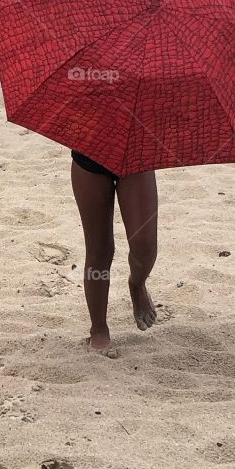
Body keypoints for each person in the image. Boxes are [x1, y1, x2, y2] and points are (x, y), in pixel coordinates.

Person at [70, 151, 157, 357]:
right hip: (89, 152)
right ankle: (98, 328)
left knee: (144, 246)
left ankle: (137, 284)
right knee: (99, 249)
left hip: (138, 153)